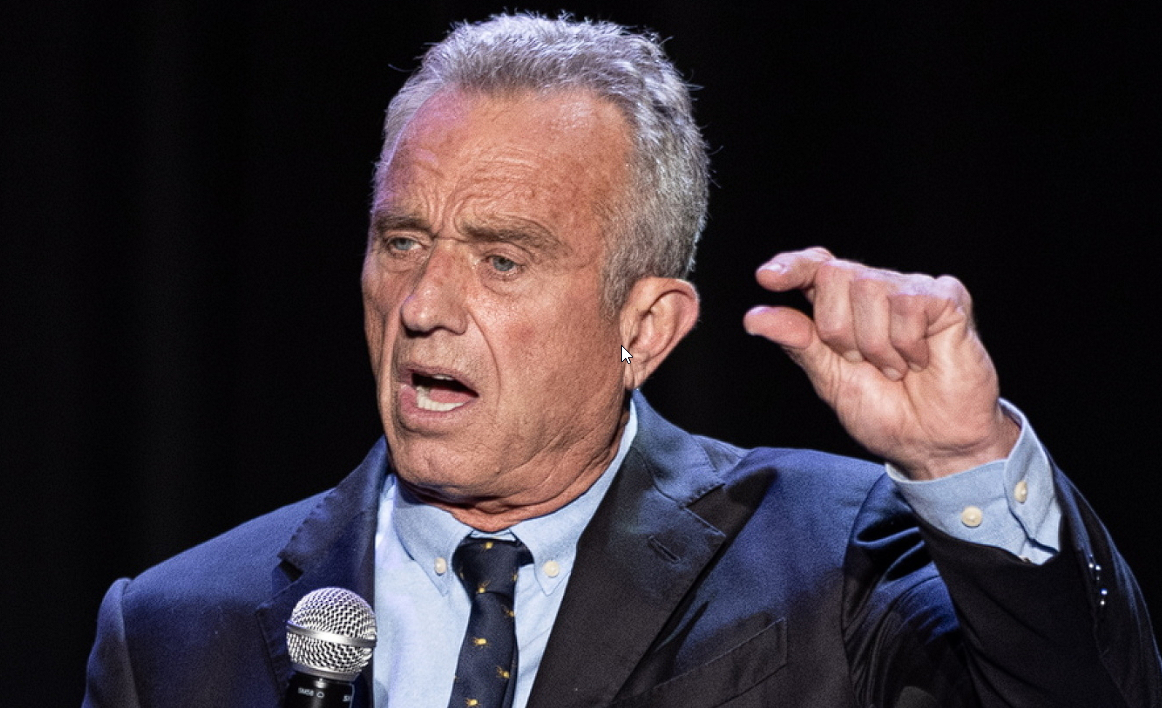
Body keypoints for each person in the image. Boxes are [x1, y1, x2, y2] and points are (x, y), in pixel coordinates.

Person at [83, 13, 1161, 708]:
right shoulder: (174, 632)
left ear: (644, 326)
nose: (422, 307)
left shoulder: (834, 564)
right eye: (402, 241)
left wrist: (964, 460)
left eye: (502, 260)